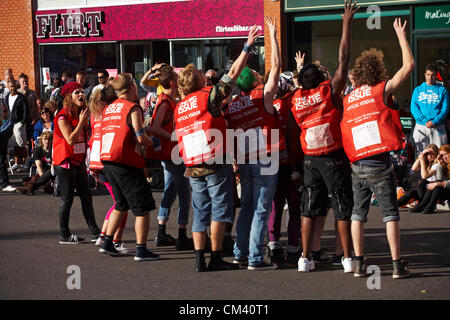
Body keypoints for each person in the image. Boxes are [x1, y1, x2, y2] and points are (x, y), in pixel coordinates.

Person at [174, 25, 261, 272]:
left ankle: (199, 259)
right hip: (214, 163)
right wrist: (247, 46)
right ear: (199, 81)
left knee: (200, 212)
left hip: (192, 166)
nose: (207, 78)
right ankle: (215, 257)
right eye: (203, 75)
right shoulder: (208, 97)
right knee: (219, 211)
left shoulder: (180, 107)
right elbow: (233, 73)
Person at [285, 1, 358, 274]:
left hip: (308, 161)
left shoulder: (295, 99)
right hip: (333, 159)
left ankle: (305, 258)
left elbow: (292, 135)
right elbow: (343, 60)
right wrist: (346, 22)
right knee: (341, 205)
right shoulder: (328, 92)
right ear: (321, 78)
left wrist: (294, 166)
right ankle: (347, 258)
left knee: (308, 208)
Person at [340, 18, 415, 279]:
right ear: (377, 71)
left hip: (356, 164)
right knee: (390, 214)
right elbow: (409, 67)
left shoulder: (349, 98)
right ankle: (397, 265)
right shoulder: (380, 90)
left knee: (357, 214)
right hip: (379, 163)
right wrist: (401, 36)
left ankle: (359, 264)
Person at [224, 17, 282, 271]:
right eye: (258, 75)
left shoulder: (232, 105)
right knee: (260, 209)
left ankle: (240, 252)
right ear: (255, 82)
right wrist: (273, 35)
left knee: (246, 207)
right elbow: (277, 66)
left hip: (244, 161)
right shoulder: (263, 96)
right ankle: (256, 258)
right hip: (265, 160)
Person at [98, 73, 159, 261]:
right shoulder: (133, 108)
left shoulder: (109, 108)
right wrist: (154, 143)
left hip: (107, 161)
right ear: (132, 87)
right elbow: (140, 136)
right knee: (142, 208)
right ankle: (141, 249)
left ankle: (107, 241)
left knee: (121, 203)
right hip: (125, 162)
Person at [144, 64, 193, 251]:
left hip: (171, 153)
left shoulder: (167, 100)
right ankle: (181, 234)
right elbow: (154, 128)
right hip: (172, 153)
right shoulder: (164, 102)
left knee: (171, 191)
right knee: (183, 194)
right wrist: (175, 136)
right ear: (172, 82)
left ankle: (162, 231)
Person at [53, 81, 101, 244]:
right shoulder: (62, 116)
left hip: (78, 160)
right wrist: (81, 122)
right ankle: (64, 235)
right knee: (67, 198)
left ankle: (96, 232)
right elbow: (70, 139)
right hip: (65, 161)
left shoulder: (82, 112)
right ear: (68, 97)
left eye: (82, 92)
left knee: (86, 196)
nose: (81, 95)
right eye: (76, 93)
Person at [88, 87, 131, 254]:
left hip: (96, 162)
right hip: (106, 161)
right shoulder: (109, 115)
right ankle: (115, 240)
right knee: (122, 204)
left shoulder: (94, 116)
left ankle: (103, 235)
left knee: (117, 202)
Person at [268, 71, 302, 265]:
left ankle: (273, 245)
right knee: (294, 207)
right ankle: (292, 247)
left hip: (271, 162)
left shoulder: (266, 105)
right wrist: (295, 167)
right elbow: (291, 137)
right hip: (289, 162)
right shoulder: (290, 105)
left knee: (275, 206)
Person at [411, 64, 449, 155]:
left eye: (433, 75)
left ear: (436, 76)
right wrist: (425, 120)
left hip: (438, 126)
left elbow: (445, 109)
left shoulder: (443, 90)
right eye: (428, 75)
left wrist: (435, 121)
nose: (430, 77)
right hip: (421, 126)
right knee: (421, 155)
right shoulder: (418, 90)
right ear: (425, 75)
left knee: (440, 154)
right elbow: (414, 107)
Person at [408, 144, 448, 214]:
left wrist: (422, 161)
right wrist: (422, 154)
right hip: (430, 189)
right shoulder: (428, 162)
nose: (430, 156)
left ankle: (426, 206)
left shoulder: (437, 164)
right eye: (428, 154)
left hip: (438, 189)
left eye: (432, 154)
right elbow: (413, 168)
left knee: (426, 183)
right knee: (413, 191)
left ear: (436, 155)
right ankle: (395, 205)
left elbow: (425, 176)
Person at [4, 80, 28, 172]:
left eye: (14, 86)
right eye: (11, 87)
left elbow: (26, 110)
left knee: (21, 143)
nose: (13, 88)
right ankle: (17, 163)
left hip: (19, 123)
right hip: (11, 123)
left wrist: (22, 122)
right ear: (8, 88)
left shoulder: (21, 97)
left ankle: (27, 161)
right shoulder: (7, 97)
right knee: (15, 144)